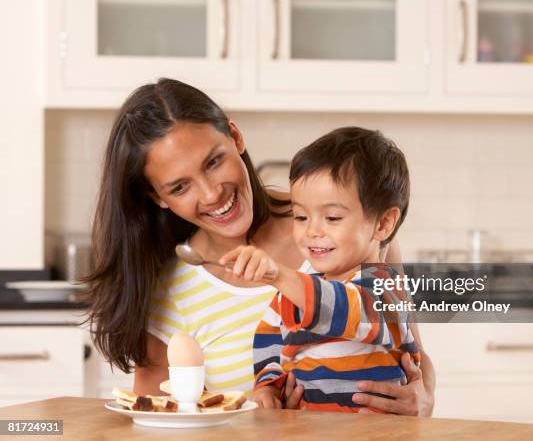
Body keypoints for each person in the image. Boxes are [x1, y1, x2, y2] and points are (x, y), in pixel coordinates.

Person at [84, 78, 435, 416]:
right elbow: (162, 419)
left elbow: (410, 348)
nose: (211, 193)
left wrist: (423, 398)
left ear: (236, 137)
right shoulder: (169, 291)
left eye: (213, 161)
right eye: (179, 187)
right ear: (157, 198)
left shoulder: (350, 228)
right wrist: (262, 410)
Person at [220, 127, 421, 412]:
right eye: (301, 216)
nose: (312, 231)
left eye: (332, 217)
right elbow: (270, 350)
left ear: (383, 224)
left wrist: (280, 274)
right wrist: (267, 387)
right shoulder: (289, 298)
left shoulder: (384, 285)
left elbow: (346, 310)